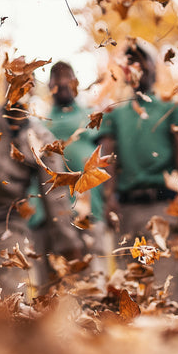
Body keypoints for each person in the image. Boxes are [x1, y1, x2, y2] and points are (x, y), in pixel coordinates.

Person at [0, 102, 83, 293]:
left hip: (10, 228)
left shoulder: (41, 138)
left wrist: (68, 242)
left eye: (26, 80)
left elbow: (56, 194)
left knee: (12, 303)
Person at [98, 39, 178, 296]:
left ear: (153, 66)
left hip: (162, 207)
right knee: (129, 290)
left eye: (141, 59)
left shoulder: (171, 107)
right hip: (127, 208)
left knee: (164, 290)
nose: (135, 65)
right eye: (129, 61)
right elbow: (108, 157)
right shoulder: (114, 113)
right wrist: (109, 199)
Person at [45, 61, 107, 263]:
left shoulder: (93, 116)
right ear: (49, 85)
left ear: (76, 83)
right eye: (57, 77)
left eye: (67, 77)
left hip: (91, 213)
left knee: (94, 283)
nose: (62, 82)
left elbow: (110, 158)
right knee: (56, 287)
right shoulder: (41, 122)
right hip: (53, 218)